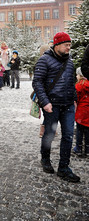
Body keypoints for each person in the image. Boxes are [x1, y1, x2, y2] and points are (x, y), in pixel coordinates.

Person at [32, 32, 80, 182]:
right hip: (52, 106)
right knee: (49, 134)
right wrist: (45, 102)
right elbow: (37, 82)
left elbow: (72, 82)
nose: (68, 48)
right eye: (66, 45)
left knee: (68, 136)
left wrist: (74, 99)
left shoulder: (70, 61)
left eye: (69, 45)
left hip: (67, 106)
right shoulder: (44, 60)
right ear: (57, 44)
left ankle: (64, 168)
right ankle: (45, 159)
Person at [73, 67, 89, 157]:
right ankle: (87, 149)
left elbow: (76, 98)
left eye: (77, 74)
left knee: (79, 130)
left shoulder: (79, 85)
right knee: (88, 131)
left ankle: (78, 148)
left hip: (81, 111)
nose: (76, 76)